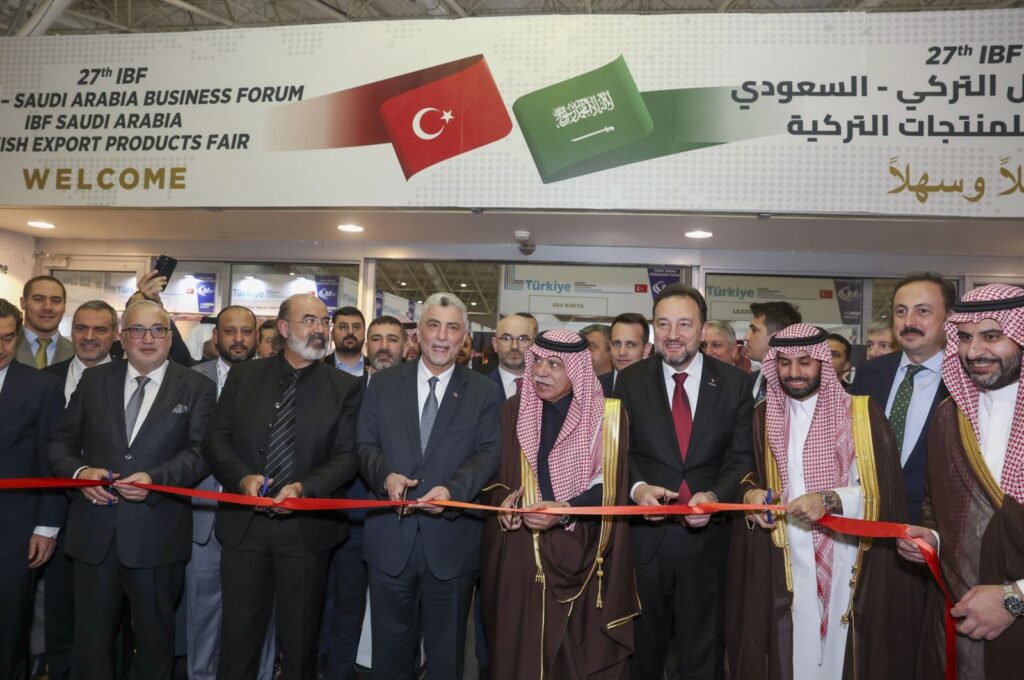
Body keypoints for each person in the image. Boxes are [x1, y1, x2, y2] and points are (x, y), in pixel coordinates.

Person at [725, 324, 919, 679]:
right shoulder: (761, 415)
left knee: (841, 651)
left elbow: (882, 490)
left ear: (822, 363)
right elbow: (743, 470)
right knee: (790, 645)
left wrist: (829, 499)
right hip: (783, 551)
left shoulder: (860, 413)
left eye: (804, 362)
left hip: (847, 550)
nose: (794, 372)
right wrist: (751, 494)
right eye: (783, 363)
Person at [47, 300, 216, 680]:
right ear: (122, 338)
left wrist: (157, 481)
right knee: (91, 640)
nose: (147, 338)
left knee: (155, 640)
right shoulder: (94, 381)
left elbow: (202, 453)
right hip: (94, 535)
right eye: (137, 330)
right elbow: (59, 443)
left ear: (170, 338)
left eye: (157, 330)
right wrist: (81, 472)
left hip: (157, 535)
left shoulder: (197, 387)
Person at [202, 294, 362, 680]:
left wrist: (304, 489)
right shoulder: (244, 376)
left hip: (305, 532)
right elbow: (214, 441)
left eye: (324, 321)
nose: (321, 329)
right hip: (245, 527)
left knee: (301, 642)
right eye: (310, 320)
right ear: (285, 328)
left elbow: (347, 456)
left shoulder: (345, 387)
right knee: (238, 638)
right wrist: (241, 478)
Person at [357, 292, 500, 679]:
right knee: (389, 657)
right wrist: (385, 476)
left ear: (464, 337)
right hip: (390, 540)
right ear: (417, 334)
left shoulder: (484, 391)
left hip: (452, 547)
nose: (442, 336)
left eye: (452, 327)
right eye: (433, 325)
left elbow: (489, 454)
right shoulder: (383, 384)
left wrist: (453, 491)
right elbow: (364, 445)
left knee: (447, 657)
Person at [480, 329, 638, 679]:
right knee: (520, 652)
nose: (540, 371)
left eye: (554, 364)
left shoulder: (608, 417)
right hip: (524, 554)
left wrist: (563, 509)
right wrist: (503, 502)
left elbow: (611, 487)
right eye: (537, 360)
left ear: (578, 370)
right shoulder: (513, 409)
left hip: (585, 549)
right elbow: (492, 474)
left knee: (578, 658)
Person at [615, 283, 754, 680]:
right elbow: (620, 451)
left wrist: (714, 496)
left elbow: (740, 457)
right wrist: (639, 489)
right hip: (646, 541)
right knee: (643, 653)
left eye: (684, 324)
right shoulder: (629, 381)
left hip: (709, 545)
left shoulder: (734, 384)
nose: (672, 334)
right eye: (663, 323)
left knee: (704, 655)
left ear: (702, 328)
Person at [899, 283, 1024, 679]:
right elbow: (937, 506)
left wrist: (1015, 598)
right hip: (954, 615)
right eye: (965, 337)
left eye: (992, 336)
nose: (973, 352)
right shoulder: (949, 417)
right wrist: (929, 539)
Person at [187, 306, 275, 680]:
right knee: (202, 611)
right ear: (215, 336)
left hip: (257, 518)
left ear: (257, 336)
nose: (238, 339)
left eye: (245, 331)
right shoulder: (189, 380)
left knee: (260, 613)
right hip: (205, 515)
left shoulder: (278, 378)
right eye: (229, 331)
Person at [42, 300, 120, 680]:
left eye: (100, 329)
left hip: (113, 516)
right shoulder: (46, 378)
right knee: (59, 609)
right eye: (82, 329)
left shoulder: (129, 377)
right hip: (56, 511)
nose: (89, 338)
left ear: (115, 334)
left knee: (109, 620)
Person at [850, 272, 953, 522]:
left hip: (935, 529)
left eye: (923, 311)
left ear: (950, 318)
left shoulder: (964, 380)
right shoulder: (870, 373)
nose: (909, 321)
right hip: (867, 520)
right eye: (900, 311)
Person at [0, 299, 64, 680]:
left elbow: (51, 460)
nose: (0, 348)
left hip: (14, 529)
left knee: (9, 629)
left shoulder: (41, 387)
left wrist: (46, 527)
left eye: (8, 338)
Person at [745, 301, 802, 401]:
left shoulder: (798, 384)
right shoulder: (748, 381)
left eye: (754, 330)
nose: (746, 337)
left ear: (776, 338)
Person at [15, 275, 74, 368]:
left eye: (56, 301)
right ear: (23, 303)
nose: (48, 307)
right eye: (38, 299)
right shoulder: (5, 345)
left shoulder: (77, 352)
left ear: (64, 306)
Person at [488, 313, 535, 401]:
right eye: (506, 338)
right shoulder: (479, 387)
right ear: (495, 344)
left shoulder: (546, 388)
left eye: (522, 339)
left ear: (532, 345)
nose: (514, 347)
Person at [604, 312, 651, 394]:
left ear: (646, 349)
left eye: (630, 344)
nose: (622, 352)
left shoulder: (659, 389)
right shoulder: (593, 387)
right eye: (617, 344)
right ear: (610, 346)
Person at [330, 306, 367, 377]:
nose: (350, 332)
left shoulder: (376, 369)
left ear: (364, 333)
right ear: (332, 334)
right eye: (343, 327)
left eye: (356, 327)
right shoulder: (318, 368)